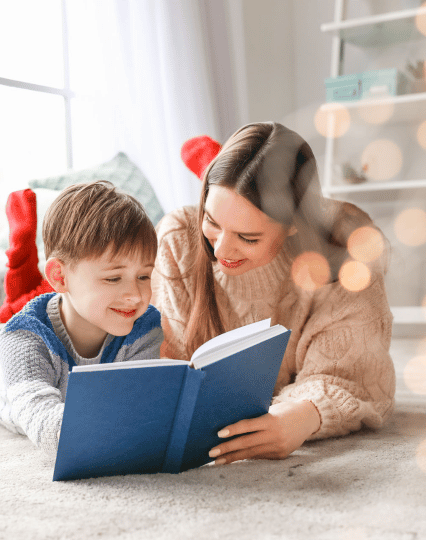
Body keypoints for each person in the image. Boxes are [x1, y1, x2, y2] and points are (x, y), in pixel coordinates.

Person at [153, 122, 395, 466]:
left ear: (294, 223)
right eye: (212, 221)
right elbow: (169, 365)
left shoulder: (348, 247)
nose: (221, 250)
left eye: (248, 237)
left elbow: (356, 375)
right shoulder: (179, 237)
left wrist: (305, 415)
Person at [0, 180, 163, 455]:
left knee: (10, 320)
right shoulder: (24, 339)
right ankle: (6, 312)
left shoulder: (144, 327)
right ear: (60, 276)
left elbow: (142, 402)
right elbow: (45, 423)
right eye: (114, 278)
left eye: (144, 276)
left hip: (33, 325)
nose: (135, 296)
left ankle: (8, 312)